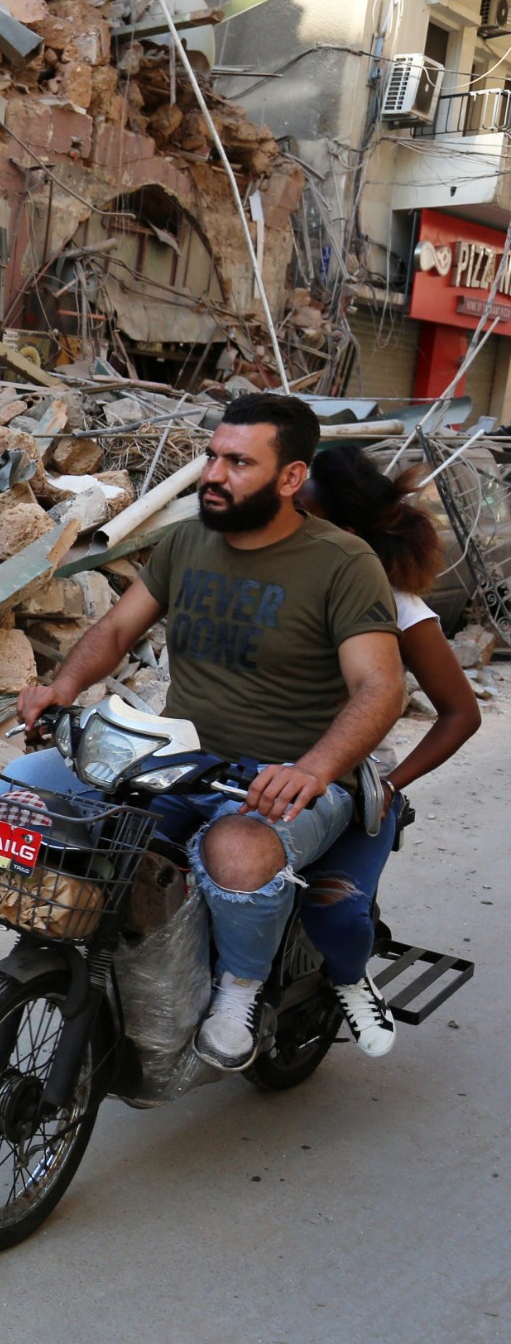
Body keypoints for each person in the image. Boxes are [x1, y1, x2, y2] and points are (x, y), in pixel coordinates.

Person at [17, 392, 405, 1071]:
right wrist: (62, 687)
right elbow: (114, 629)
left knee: (238, 852)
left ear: (291, 478)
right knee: (21, 787)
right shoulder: (187, 542)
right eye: (211, 456)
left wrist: (312, 768)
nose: (213, 475)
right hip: (183, 758)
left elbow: (380, 687)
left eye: (237, 462)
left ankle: (240, 990)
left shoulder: (343, 563)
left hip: (293, 777)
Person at [292, 445, 481, 1056]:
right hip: (243, 770)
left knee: (337, 913)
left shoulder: (396, 607)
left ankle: (350, 977)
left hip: (344, 789)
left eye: (306, 512)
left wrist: (391, 785)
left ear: (345, 531)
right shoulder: (266, 573)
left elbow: (461, 712)